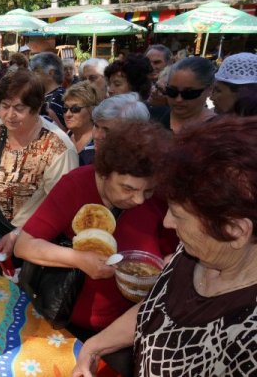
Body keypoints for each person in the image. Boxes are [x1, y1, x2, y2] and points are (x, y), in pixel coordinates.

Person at [73, 116, 257, 377]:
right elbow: (159, 307)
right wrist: (95, 346)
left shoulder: (250, 337)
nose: (168, 222)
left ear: (235, 231)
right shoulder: (196, 249)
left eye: (179, 215)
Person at [14, 120, 177, 376]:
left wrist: (167, 262)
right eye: (128, 188)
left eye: (148, 190)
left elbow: (172, 250)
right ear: (103, 172)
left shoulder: (158, 197)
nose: (138, 199)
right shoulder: (76, 185)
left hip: (135, 329)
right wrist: (78, 259)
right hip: (75, 329)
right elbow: (24, 246)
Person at [0, 69, 77, 264]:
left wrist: (18, 235)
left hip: (33, 241)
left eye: (19, 108)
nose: (10, 115)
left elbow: (59, 209)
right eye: (5, 106)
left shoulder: (58, 148)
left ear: (36, 108)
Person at [162, 56, 215, 133]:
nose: (178, 99)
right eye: (172, 91)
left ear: (209, 90)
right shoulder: (154, 117)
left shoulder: (220, 131)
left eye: (189, 93)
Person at [63, 81, 101, 165]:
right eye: (65, 108)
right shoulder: (64, 137)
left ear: (91, 110)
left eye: (75, 109)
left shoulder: (99, 142)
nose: (68, 114)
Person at [30, 52, 66, 130]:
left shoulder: (60, 97)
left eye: (36, 71)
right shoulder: (40, 96)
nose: (32, 75)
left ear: (51, 73)